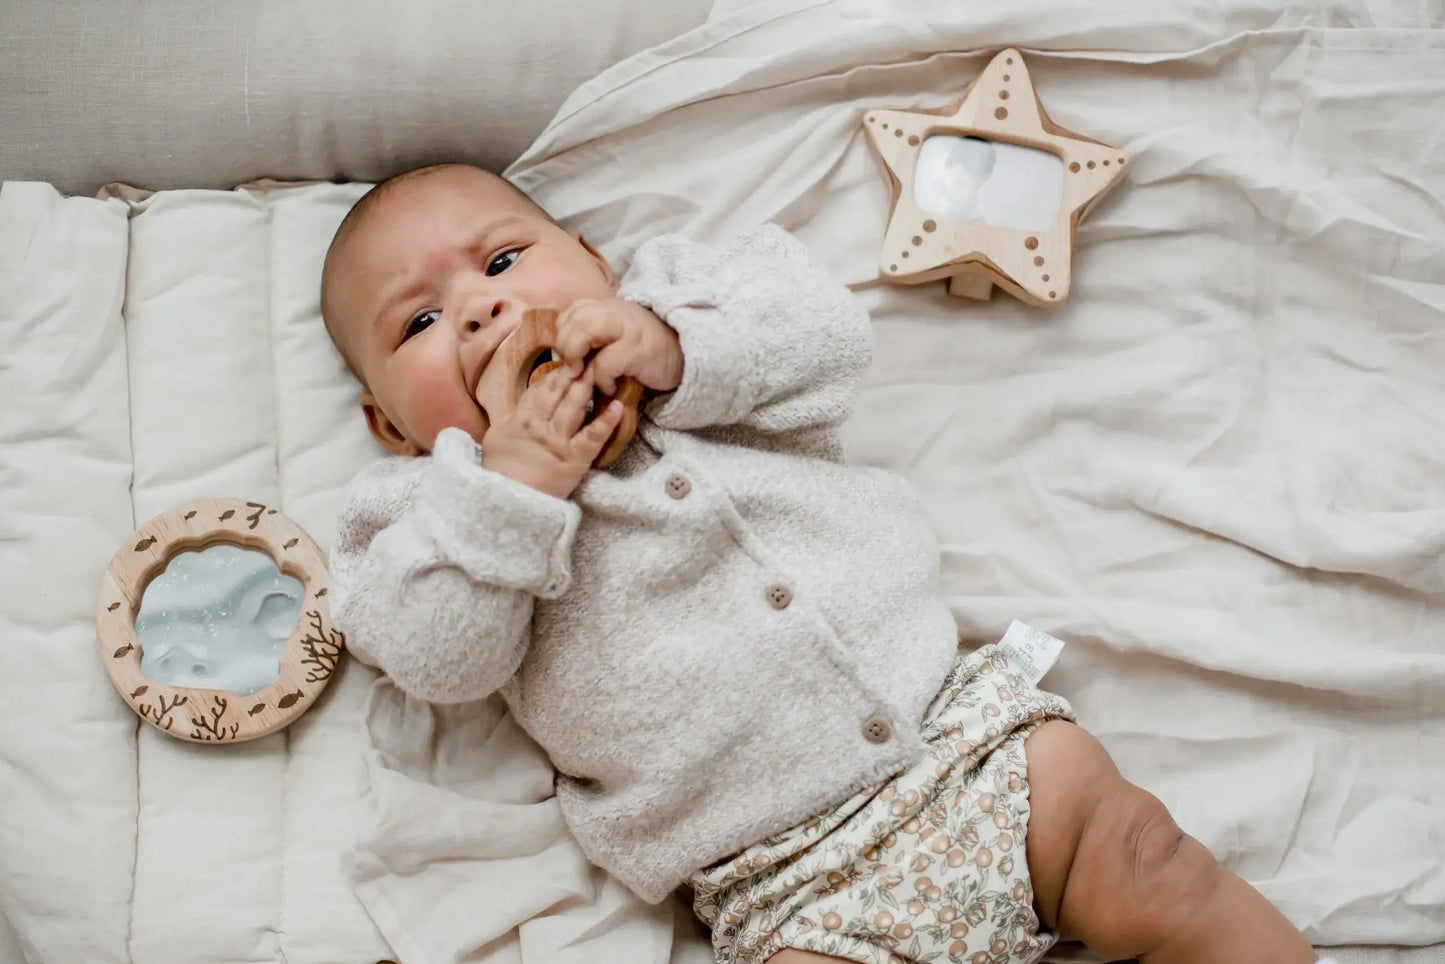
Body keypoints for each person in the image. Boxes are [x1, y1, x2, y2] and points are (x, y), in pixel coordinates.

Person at [320, 162, 1322, 964]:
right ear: (389, 424)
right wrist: (511, 487)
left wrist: (675, 348)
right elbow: (436, 657)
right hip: (785, 879)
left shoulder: (682, 306)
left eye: (502, 261)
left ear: (592, 260)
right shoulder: (421, 509)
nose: (479, 313)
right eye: (416, 323)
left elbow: (829, 338)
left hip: (959, 739)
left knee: (1147, 861)